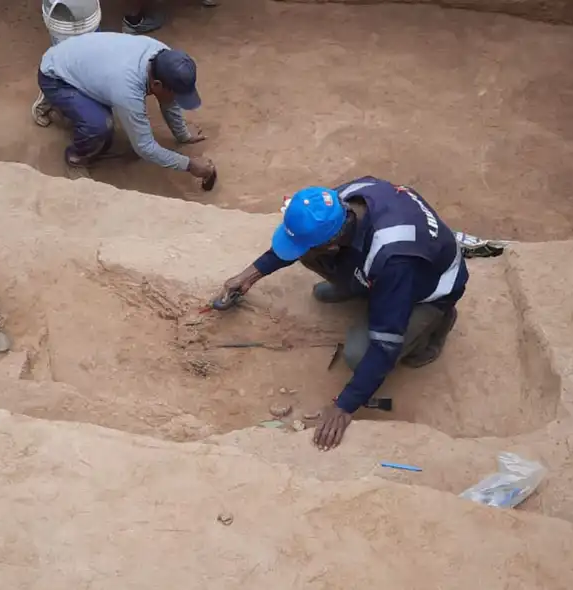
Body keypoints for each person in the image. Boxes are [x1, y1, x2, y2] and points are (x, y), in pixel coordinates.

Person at [216, 176, 469, 451]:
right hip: (386, 263)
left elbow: (386, 344)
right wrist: (249, 275)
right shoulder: (335, 204)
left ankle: (437, 323)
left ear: (333, 246)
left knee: (359, 354)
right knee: (306, 252)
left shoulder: (396, 260)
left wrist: (345, 405)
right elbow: (299, 237)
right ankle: (361, 283)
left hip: (428, 287)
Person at [32, 32, 215, 180]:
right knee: (100, 125)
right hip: (55, 77)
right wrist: (189, 165)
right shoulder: (127, 89)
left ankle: (70, 102)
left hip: (76, 62)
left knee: (108, 120)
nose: (177, 100)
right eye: (175, 94)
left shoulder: (164, 56)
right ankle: (75, 158)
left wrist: (183, 135)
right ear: (157, 84)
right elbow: (145, 148)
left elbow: (168, 101)